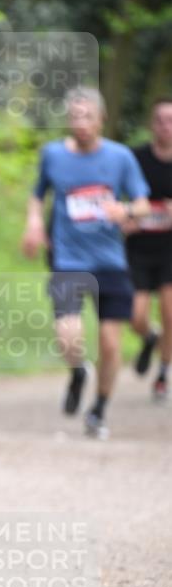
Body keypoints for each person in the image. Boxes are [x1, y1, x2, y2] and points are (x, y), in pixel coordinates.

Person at [22, 87, 149, 440]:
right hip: (69, 259)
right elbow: (37, 196)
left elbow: (141, 204)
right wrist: (34, 223)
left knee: (111, 344)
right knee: (68, 336)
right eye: (74, 116)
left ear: (101, 118)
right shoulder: (53, 155)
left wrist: (123, 210)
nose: (80, 123)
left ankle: (99, 409)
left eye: (87, 116)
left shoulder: (120, 157)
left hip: (111, 261)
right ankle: (78, 371)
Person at [124, 98, 172, 400]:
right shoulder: (135, 158)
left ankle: (163, 372)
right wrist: (126, 215)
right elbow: (117, 194)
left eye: (171, 121)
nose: (166, 126)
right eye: (160, 121)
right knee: (135, 314)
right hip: (139, 248)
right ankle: (150, 337)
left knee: (171, 313)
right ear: (151, 125)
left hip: (170, 249)